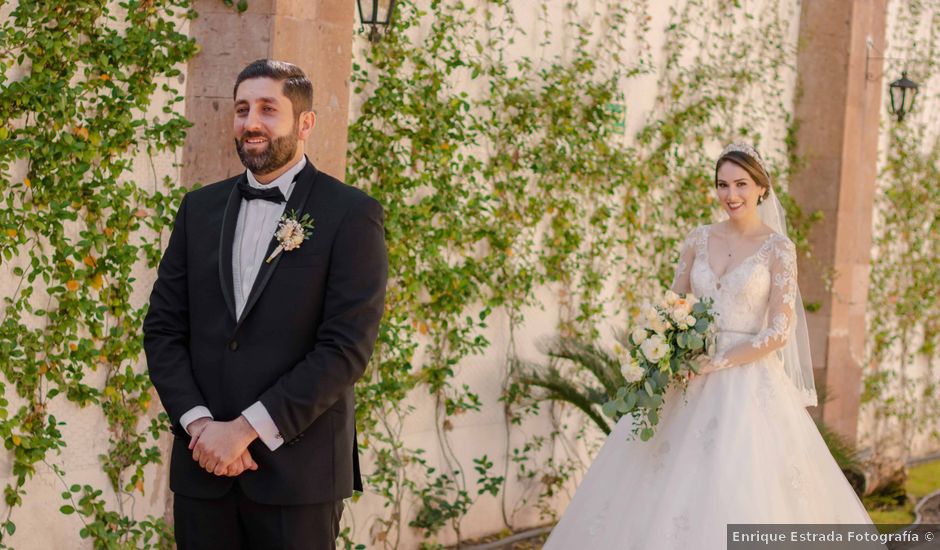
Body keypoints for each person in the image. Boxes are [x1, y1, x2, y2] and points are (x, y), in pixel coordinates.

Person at [542, 143, 872, 549]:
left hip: (746, 384)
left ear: (761, 189)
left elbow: (778, 331)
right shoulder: (698, 239)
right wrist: (665, 349)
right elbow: (671, 306)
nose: (731, 195)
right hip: (685, 376)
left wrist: (715, 363)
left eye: (741, 184)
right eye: (722, 185)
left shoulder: (778, 249)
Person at [143, 59, 387, 550]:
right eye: (242, 109)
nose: (251, 122)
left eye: (268, 109)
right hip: (203, 467)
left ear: (305, 123)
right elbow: (164, 329)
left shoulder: (351, 214)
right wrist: (202, 427)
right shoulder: (198, 210)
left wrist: (245, 430)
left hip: (299, 474)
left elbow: (345, 347)